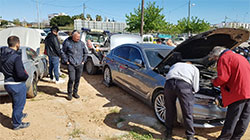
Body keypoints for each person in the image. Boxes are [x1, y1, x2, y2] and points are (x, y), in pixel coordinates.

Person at [209, 46, 250, 140]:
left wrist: (214, 82)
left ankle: (224, 138)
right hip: (248, 90)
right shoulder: (239, 56)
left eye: (215, 58)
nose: (216, 60)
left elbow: (223, 78)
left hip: (238, 92)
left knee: (232, 118)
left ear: (217, 55)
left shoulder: (224, 58)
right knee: (245, 117)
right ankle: (236, 137)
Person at [0, 36, 30, 130]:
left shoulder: (2, 55)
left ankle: (19, 115)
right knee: (19, 104)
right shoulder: (16, 57)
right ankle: (17, 124)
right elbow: (21, 74)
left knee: (15, 103)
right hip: (17, 84)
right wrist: (26, 76)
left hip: (8, 83)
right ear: (17, 43)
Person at [164, 61, 199, 140]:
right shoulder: (194, 68)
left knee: (169, 109)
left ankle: (168, 134)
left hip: (169, 84)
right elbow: (196, 87)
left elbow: (168, 75)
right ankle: (190, 136)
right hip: (184, 85)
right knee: (187, 111)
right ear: (191, 63)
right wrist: (191, 93)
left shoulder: (175, 64)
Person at [61, 30, 87, 101]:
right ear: (73, 36)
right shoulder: (67, 42)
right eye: (77, 37)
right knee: (72, 78)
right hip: (71, 63)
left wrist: (83, 61)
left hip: (79, 64)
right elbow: (62, 51)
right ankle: (69, 93)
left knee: (77, 79)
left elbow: (86, 52)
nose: (78, 38)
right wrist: (66, 60)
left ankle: (75, 92)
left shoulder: (81, 43)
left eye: (79, 37)